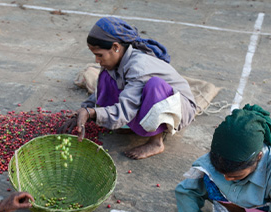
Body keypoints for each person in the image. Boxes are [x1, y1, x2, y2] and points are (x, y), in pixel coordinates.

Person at [59, 16, 198, 160]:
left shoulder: (138, 66)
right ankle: (134, 126)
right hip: (146, 97)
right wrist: (84, 111)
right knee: (107, 76)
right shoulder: (117, 60)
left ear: (115, 47)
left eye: (99, 55)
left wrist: (92, 113)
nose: (97, 60)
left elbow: (126, 109)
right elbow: (100, 91)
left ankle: (156, 141)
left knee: (154, 85)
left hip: (179, 106)